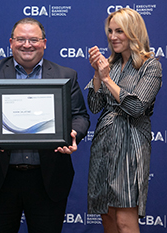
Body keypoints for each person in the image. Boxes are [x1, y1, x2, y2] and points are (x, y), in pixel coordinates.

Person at [0, 17, 90, 233]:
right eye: (20, 39)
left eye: (34, 39)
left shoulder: (66, 75)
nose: (27, 44)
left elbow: (80, 116)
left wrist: (72, 134)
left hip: (48, 179)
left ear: (44, 43)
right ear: (11, 42)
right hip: (0, 179)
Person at [85, 8, 162, 233]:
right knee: (107, 215)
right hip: (103, 142)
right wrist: (97, 75)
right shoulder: (109, 63)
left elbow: (136, 107)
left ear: (133, 33)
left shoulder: (151, 65)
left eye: (120, 31)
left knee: (124, 221)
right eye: (110, 31)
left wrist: (106, 78)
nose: (112, 36)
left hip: (130, 143)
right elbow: (94, 106)